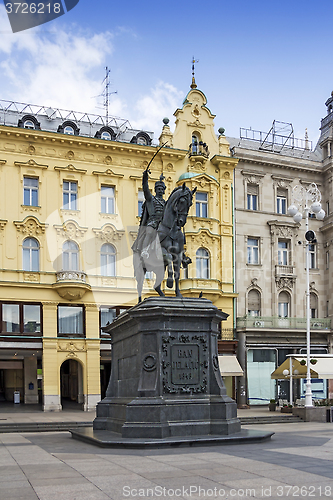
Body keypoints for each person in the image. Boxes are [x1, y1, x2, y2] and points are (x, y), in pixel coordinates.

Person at [132, 169, 166, 258]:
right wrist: (145, 177)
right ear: (155, 190)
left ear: (164, 191)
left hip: (163, 223)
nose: (160, 190)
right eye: (158, 189)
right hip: (153, 222)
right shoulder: (151, 199)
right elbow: (145, 188)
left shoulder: (165, 203)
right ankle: (145, 250)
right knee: (149, 231)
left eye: (161, 189)